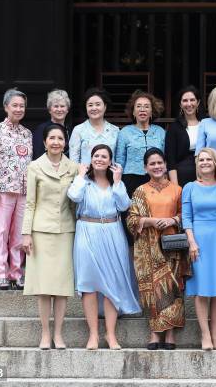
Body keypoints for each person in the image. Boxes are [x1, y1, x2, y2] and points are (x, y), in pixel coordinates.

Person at [67, 144, 142, 350]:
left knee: (112, 283)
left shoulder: (115, 182)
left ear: (110, 161)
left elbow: (124, 206)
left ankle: (110, 334)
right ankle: (93, 335)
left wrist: (118, 182)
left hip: (112, 231)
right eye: (96, 156)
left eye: (104, 156)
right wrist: (81, 175)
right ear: (91, 159)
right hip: (87, 231)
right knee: (88, 285)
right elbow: (74, 196)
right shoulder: (84, 181)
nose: (100, 159)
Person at [21, 124, 78, 350]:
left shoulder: (73, 168)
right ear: (44, 142)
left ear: (65, 142)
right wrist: (26, 233)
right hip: (40, 231)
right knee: (44, 287)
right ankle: (45, 334)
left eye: (60, 138)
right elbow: (30, 203)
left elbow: (75, 202)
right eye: (52, 138)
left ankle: (59, 334)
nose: (56, 142)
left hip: (65, 231)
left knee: (62, 287)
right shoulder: (34, 166)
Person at [127, 148, 190, 351]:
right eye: (152, 163)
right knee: (154, 291)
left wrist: (172, 220)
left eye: (160, 163)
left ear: (165, 165)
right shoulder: (140, 191)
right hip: (148, 250)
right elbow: (132, 219)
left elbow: (185, 214)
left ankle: (170, 333)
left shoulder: (177, 189)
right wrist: (154, 221)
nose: (156, 166)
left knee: (172, 288)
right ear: (146, 167)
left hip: (173, 246)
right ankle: (155, 332)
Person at [0, 88, 33, 290]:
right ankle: (2, 274)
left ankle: (16, 273)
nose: (19, 109)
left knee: (19, 234)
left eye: (22, 106)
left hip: (23, 190)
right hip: (1, 189)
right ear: (6, 107)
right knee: (1, 231)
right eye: (15, 105)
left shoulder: (27, 133)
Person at [183, 148, 216, 350]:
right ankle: (204, 335)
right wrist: (191, 242)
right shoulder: (190, 187)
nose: (204, 162)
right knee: (201, 290)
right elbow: (186, 217)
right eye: (201, 159)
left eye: (208, 159)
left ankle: (215, 334)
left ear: (215, 162)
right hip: (199, 240)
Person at [116, 90, 166, 196]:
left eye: (146, 106)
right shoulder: (124, 132)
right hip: (131, 179)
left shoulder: (161, 132)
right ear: (133, 112)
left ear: (152, 111)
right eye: (138, 106)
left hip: (156, 177)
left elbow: (165, 157)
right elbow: (119, 160)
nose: (142, 109)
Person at [69, 87, 119, 164]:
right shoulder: (78, 130)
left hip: (109, 175)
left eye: (98, 104)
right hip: (85, 175)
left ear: (105, 106)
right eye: (90, 105)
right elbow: (73, 161)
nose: (94, 108)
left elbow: (118, 159)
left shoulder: (115, 130)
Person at [165, 85, 203, 187]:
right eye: (185, 101)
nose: (189, 104)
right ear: (180, 104)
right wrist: (175, 186)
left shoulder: (205, 124)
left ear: (198, 102)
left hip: (205, 175)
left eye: (192, 100)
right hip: (182, 177)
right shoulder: (174, 127)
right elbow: (171, 160)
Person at [33, 89, 72, 160]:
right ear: (50, 110)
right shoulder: (41, 129)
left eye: (62, 106)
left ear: (67, 109)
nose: (59, 109)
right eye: (56, 106)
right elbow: (38, 155)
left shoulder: (70, 130)